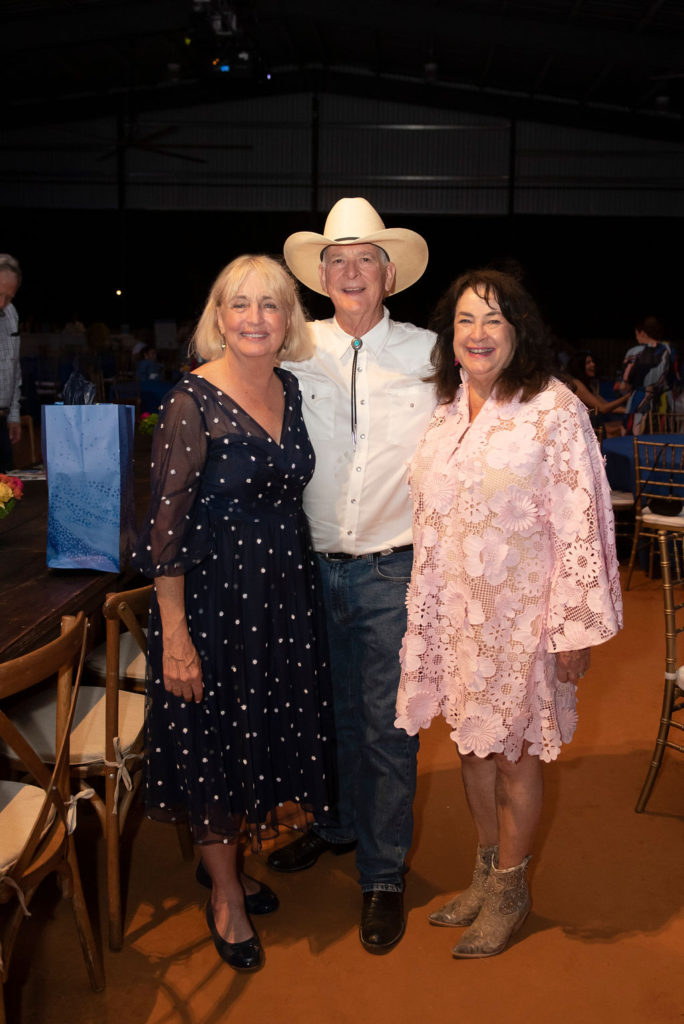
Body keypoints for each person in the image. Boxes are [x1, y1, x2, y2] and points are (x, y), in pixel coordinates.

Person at [395, 268, 622, 959]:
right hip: (458, 618)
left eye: (493, 319)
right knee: (471, 749)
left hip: (525, 619)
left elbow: (583, 520)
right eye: (465, 320)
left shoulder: (553, 409)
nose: (478, 333)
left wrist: (572, 630)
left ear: (519, 332)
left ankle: (511, 892)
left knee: (517, 756)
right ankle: (486, 873)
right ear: (449, 335)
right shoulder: (443, 408)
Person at [133, 255, 337, 973]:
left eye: (270, 305)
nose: (254, 318)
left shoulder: (290, 388)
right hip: (212, 603)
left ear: (289, 321)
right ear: (217, 318)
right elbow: (162, 530)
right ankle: (225, 892)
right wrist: (176, 636)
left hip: (280, 597)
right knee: (213, 742)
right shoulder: (192, 400)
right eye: (238, 304)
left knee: (256, 733)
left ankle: (227, 865)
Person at [267, 197, 437, 954]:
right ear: (322, 276)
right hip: (311, 566)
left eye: (365, 259)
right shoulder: (296, 352)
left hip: (391, 571)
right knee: (327, 715)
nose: (350, 271)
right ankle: (336, 826)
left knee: (386, 730)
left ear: (388, 273)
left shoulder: (434, 355)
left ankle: (382, 875)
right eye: (338, 261)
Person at [618, 316, 672, 435]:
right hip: (664, 403)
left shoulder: (634, 352)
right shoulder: (668, 350)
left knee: (634, 441)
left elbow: (624, 383)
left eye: (636, 333)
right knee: (662, 443)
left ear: (642, 332)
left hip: (639, 401)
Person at [565, 349, 628, 437]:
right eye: (588, 363)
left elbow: (606, 404)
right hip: (582, 429)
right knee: (624, 427)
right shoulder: (577, 384)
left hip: (592, 424)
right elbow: (603, 408)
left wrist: (629, 411)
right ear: (579, 366)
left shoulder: (587, 385)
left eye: (592, 362)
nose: (593, 364)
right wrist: (628, 396)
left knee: (625, 424)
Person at [0, 254, 22, 471]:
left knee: (7, 492)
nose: (2, 303)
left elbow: (14, 367)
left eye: (9, 297)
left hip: (2, 421)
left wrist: (13, 415)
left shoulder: (11, 313)